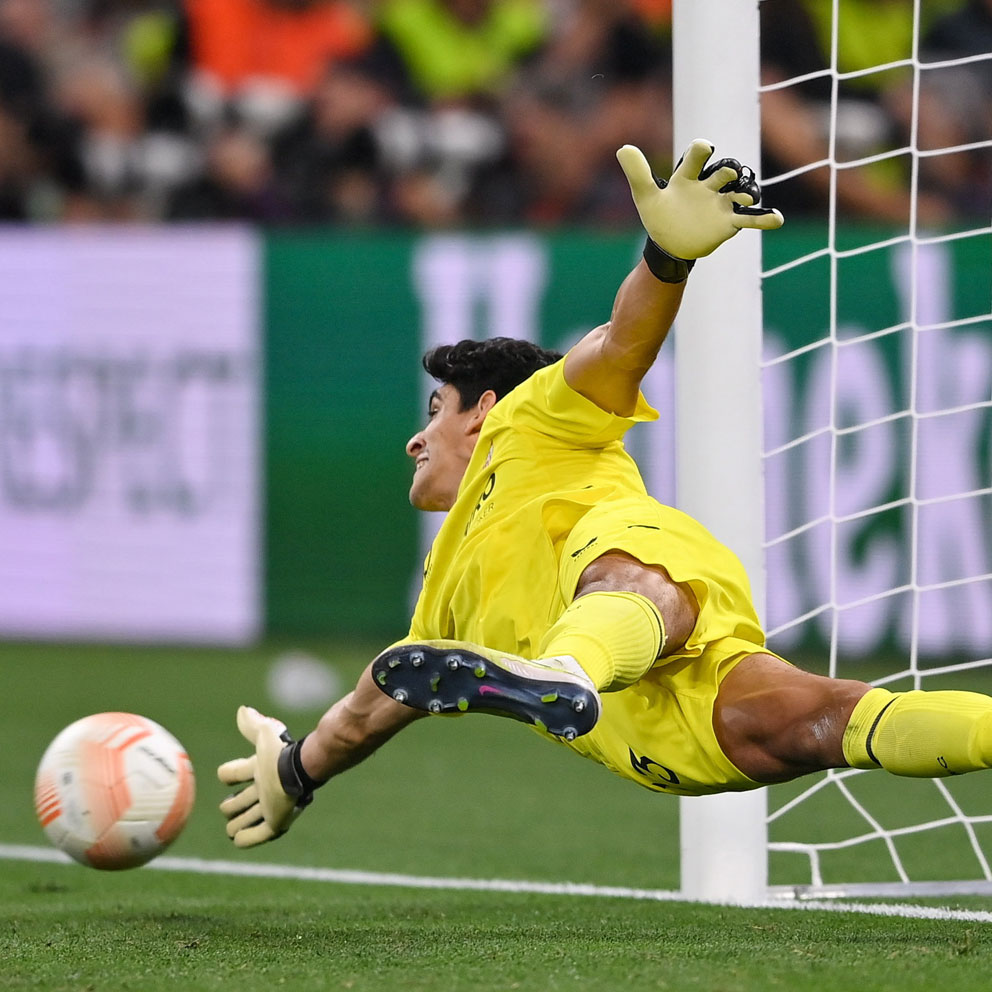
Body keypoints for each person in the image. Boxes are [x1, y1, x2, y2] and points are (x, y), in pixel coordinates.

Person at [218, 138, 992, 848]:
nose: (414, 441)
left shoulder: (531, 421)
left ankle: (568, 671)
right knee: (830, 717)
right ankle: (567, 674)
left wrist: (666, 258)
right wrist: (293, 774)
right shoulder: (444, 599)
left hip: (637, 613)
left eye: (434, 412)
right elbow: (363, 714)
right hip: (664, 729)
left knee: (657, 594)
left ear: (483, 410)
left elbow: (620, 344)